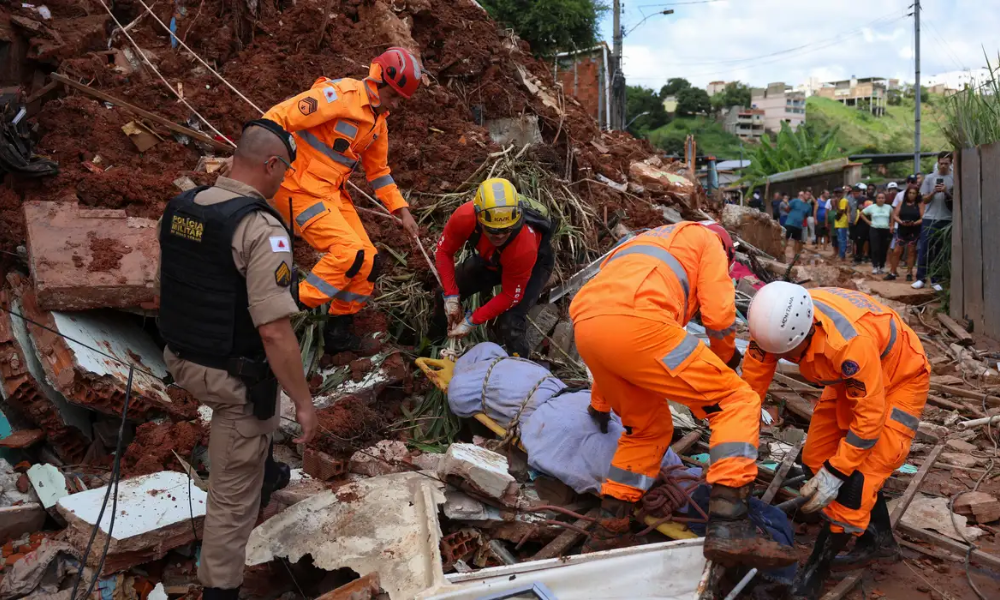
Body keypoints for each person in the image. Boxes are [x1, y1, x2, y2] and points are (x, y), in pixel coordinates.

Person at [569, 221, 798, 570]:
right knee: (736, 401)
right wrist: (726, 359)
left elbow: (609, 324)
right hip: (641, 325)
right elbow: (719, 316)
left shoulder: (640, 243)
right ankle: (729, 523)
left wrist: (600, 403)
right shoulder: (707, 241)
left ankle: (609, 526)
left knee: (646, 430)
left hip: (587, 326)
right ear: (727, 249)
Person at [158, 120, 319, 600]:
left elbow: (166, 286)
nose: (285, 180)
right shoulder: (259, 227)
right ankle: (220, 590)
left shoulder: (184, 206)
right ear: (271, 164)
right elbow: (273, 330)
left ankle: (266, 469)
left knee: (263, 408)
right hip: (230, 379)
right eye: (285, 170)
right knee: (231, 500)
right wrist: (305, 402)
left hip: (181, 355)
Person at [742, 283, 929, 599]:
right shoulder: (770, 327)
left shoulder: (847, 345)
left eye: (787, 355)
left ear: (804, 336)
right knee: (815, 459)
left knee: (856, 482)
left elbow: (868, 422)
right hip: (849, 379)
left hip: (899, 377)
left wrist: (839, 472)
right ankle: (880, 541)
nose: (781, 359)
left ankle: (814, 575)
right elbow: (750, 390)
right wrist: (740, 449)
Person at [262, 48, 423, 353]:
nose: (397, 104)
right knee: (349, 255)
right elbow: (278, 117)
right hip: (297, 187)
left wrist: (402, 211)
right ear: (379, 81)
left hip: (330, 193)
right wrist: (257, 159)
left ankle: (338, 333)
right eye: (395, 96)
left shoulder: (378, 123)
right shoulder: (339, 95)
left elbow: (379, 172)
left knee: (368, 262)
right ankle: (277, 307)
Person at [433, 178, 554, 357]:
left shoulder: (523, 246)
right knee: (440, 294)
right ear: (479, 219)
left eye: (507, 230)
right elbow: (444, 251)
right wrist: (451, 296)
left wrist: (472, 320)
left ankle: (519, 369)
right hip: (491, 260)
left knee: (511, 323)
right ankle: (431, 344)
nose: (500, 236)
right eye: (493, 230)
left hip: (531, 265)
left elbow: (511, 295)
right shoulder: (464, 217)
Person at [913, 152, 955, 290]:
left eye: (946, 163)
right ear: (937, 162)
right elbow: (924, 200)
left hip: (947, 218)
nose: (943, 166)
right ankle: (921, 278)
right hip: (929, 217)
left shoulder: (954, 178)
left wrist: (946, 192)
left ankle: (936, 279)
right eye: (941, 163)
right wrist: (934, 192)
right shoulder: (930, 178)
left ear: (951, 163)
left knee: (940, 251)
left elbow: (958, 200)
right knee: (924, 248)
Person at [885, 185, 923, 281]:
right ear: (907, 194)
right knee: (897, 251)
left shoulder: (919, 204)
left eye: (913, 193)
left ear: (916, 194)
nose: (911, 195)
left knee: (911, 251)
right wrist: (901, 222)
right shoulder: (902, 203)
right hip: (902, 229)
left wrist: (914, 223)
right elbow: (895, 215)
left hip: (914, 230)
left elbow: (923, 217)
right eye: (910, 193)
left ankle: (909, 273)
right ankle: (892, 272)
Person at [861, 193, 893, 275]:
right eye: (879, 198)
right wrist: (868, 222)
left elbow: (892, 216)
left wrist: (891, 225)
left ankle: (882, 266)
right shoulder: (872, 207)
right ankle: (875, 266)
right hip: (874, 228)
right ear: (876, 199)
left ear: (885, 199)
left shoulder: (888, 207)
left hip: (885, 229)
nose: (881, 199)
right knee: (875, 248)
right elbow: (862, 214)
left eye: (882, 198)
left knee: (883, 249)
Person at [834, 187, 851, 261]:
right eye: (836, 193)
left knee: (842, 240)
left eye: (839, 193)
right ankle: (841, 255)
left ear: (843, 193)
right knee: (839, 239)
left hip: (842, 223)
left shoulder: (843, 200)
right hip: (838, 223)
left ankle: (842, 256)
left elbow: (841, 211)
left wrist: (837, 203)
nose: (838, 194)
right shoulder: (839, 200)